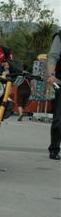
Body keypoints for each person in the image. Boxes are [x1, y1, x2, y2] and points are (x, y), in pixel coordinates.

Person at [47, 31, 61, 160]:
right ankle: (54, 149)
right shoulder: (59, 36)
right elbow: (53, 57)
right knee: (58, 120)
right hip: (60, 83)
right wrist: (51, 75)